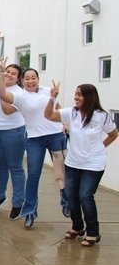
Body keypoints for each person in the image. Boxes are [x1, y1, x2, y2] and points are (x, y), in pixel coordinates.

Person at [45, 82, 117, 247]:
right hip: (73, 162)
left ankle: (93, 232)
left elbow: (113, 134)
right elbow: (49, 115)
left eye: (79, 94)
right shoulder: (71, 113)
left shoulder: (101, 116)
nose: (76, 97)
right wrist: (52, 98)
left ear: (89, 97)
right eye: (75, 94)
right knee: (71, 195)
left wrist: (101, 147)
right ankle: (77, 227)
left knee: (85, 195)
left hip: (94, 163)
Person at [0, 59, 66, 229]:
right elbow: (2, 95)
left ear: (38, 79)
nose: (30, 81)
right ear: (21, 81)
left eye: (33, 77)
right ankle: (29, 212)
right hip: (35, 139)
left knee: (61, 173)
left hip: (56, 136)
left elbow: (59, 108)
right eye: (26, 78)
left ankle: (67, 204)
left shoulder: (48, 91)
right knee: (33, 175)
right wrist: (0, 73)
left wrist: (65, 123)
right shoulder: (20, 96)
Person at [0, 63, 26, 219]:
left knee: (15, 167)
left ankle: (18, 203)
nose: (9, 75)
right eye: (7, 72)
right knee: (0, 167)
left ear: (18, 79)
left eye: (13, 74)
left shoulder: (20, 94)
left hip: (13, 133)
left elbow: (7, 110)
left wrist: (2, 87)